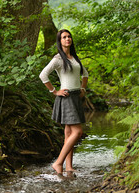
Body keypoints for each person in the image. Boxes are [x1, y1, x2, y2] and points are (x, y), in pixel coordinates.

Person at [39, 29, 88, 174]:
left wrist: (83, 89)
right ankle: (58, 163)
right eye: (64, 37)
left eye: (69, 36)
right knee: (77, 132)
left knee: (68, 133)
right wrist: (54, 91)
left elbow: (85, 74)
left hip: (75, 96)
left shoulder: (74, 58)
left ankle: (69, 167)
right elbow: (43, 75)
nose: (67, 39)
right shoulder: (58, 59)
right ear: (60, 41)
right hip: (66, 97)